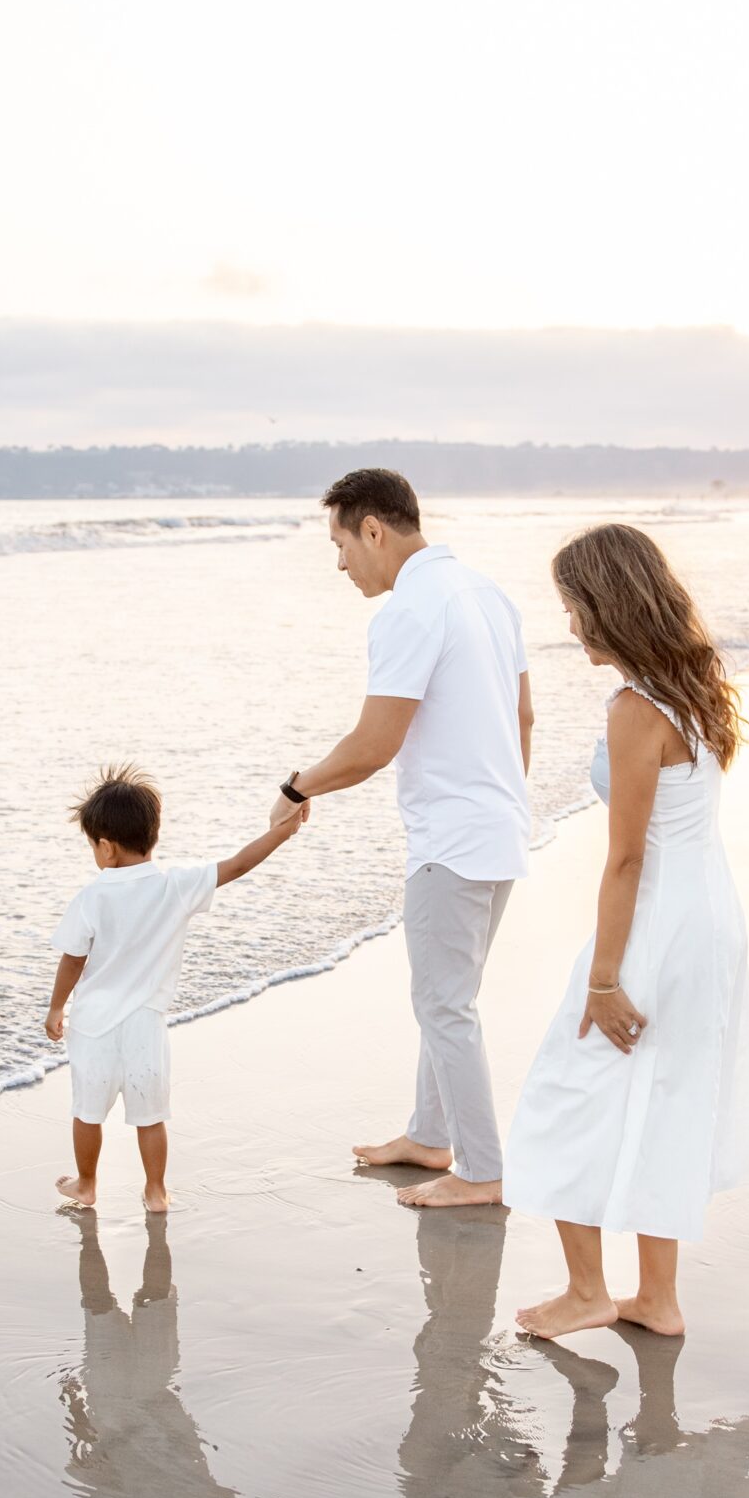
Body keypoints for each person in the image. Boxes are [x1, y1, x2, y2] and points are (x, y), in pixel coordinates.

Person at [505, 524, 749, 1338]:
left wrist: (604, 980)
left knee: (561, 1093)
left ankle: (589, 1292)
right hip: (710, 917)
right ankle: (655, 1299)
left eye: (575, 607)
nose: (571, 625)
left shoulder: (632, 708)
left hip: (657, 925)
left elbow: (625, 860)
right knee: (670, 1099)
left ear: (607, 606)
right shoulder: (694, 688)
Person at [267, 467, 535, 1208]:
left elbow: (373, 744)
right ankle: (429, 1135)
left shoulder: (406, 613)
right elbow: (524, 721)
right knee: (448, 997)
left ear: (374, 531)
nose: (341, 562)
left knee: (444, 1006)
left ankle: (481, 1171)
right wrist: (505, 800)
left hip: (451, 839)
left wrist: (298, 787)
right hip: (501, 828)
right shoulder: (489, 594)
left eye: (341, 543)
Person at [45, 764, 304, 1213]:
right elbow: (238, 864)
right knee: (151, 1115)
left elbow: (73, 958)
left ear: (104, 848)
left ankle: (86, 1185)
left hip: (93, 1027)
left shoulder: (91, 897)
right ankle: (156, 1191)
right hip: (147, 1023)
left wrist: (55, 1009)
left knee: (87, 1111)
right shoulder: (176, 886)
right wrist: (282, 831)